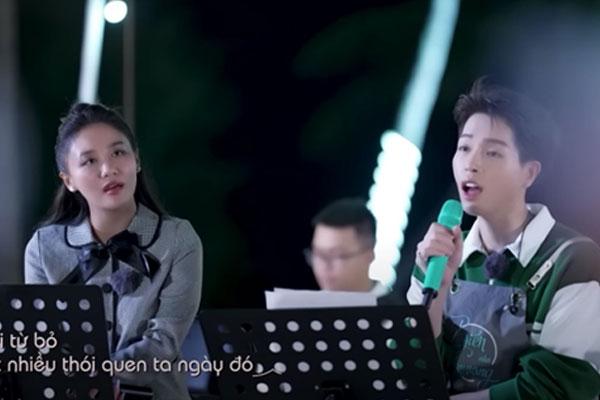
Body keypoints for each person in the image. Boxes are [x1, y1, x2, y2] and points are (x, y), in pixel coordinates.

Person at [407, 78, 600, 399]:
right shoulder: (437, 256)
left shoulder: (575, 259)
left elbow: (556, 386)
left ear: (529, 173)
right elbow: (412, 372)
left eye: (493, 153)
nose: (471, 163)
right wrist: (436, 292)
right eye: (464, 148)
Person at [25, 103, 203, 400]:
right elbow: (45, 341)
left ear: (137, 160)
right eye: (89, 161)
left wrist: (103, 373)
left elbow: (165, 342)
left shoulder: (178, 239)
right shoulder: (43, 248)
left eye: (118, 153)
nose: (109, 169)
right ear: (68, 180)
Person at [304, 197, 388, 297]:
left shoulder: (396, 306)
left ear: (369, 255)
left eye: (336, 255)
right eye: (318, 253)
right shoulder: (306, 304)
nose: (323, 266)